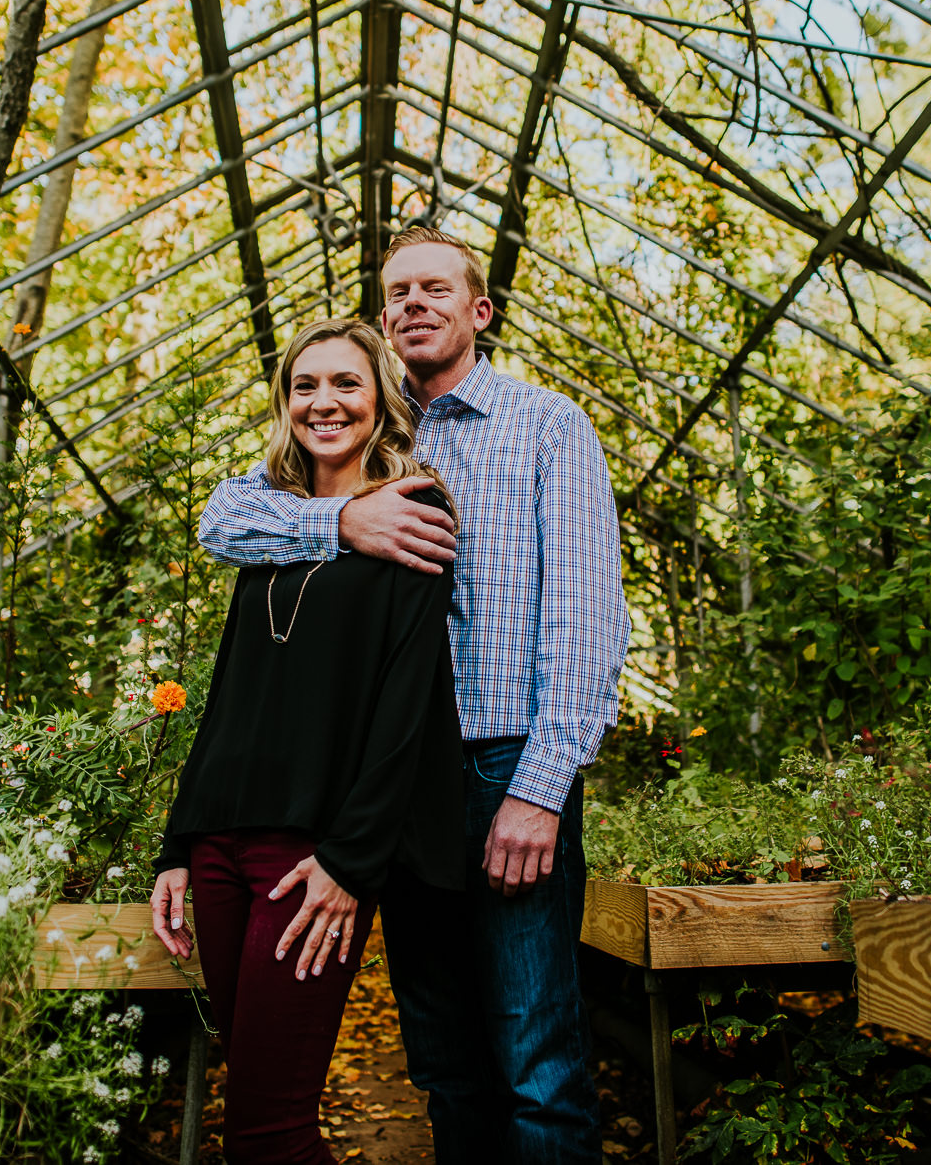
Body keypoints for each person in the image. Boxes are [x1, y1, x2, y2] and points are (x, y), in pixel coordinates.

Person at [197, 226, 632, 1163]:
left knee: (538, 1058)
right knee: (443, 1055)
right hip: (404, 786)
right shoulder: (367, 438)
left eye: (436, 288)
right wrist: (341, 517)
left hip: (504, 763)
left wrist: (538, 790)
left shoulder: (544, 424)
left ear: (479, 311)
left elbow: (589, 622)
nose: (414, 305)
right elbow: (222, 520)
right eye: (397, 292)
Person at [148, 319, 465, 1164]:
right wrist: (179, 844)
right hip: (219, 845)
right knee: (245, 1106)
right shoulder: (269, 522)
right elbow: (231, 694)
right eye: (304, 386)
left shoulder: (416, 511)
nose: (323, 403)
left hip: (305, 855)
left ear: (382, 399)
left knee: (269, 1126)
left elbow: (408, 705)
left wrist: (350, 861)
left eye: (346, 384)